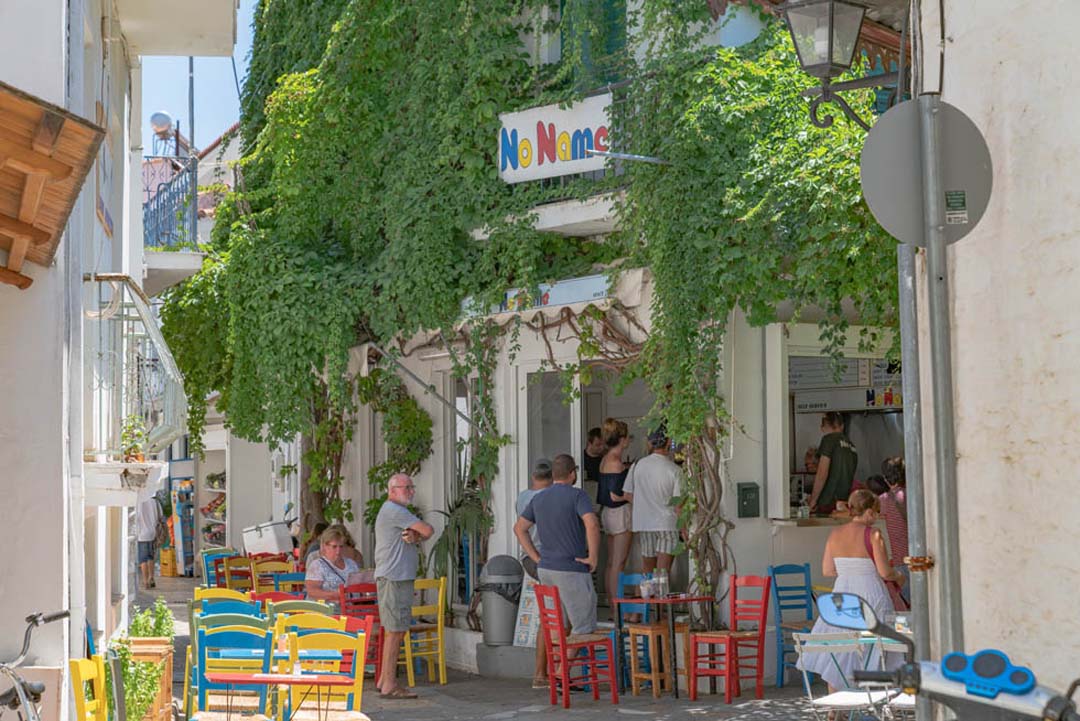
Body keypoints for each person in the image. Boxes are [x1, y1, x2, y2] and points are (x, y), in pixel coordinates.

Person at [797, 489, 906, 693]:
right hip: (870, 592)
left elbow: (828, 570)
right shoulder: (873, 534)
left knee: (841, 647)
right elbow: (884, 571)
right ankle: (877, 699)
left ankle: (834, 708)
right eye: (875, 512)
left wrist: (849, 569)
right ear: (867, 512)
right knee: (878, 647)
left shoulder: (835, 534)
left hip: (842, 591)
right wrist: (899, 577)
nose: (876, 517)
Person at [514, 454, 600, 646]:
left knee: (555, 629)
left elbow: (519, 528)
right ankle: (563, 672)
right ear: (572, 474)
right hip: (571, 568)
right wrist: (593, 557)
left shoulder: (539, 498)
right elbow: (592, 524)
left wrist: (536, 557)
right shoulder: (578, 495)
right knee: (583, 629)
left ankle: (556, 672)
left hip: (546, 569)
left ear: (553, 475)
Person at [374, 473, 434, 699]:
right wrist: (419, 534)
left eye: (412, 487)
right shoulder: (395, 510)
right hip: (394, 578)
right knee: (395, 631)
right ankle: (389, 683)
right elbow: (428, 530)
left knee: (396, 630)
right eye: (406, 487)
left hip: (396, 577)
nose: (411, 491)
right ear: (392, 489)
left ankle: (384, 680)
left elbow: (421, 534)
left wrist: (415, 537)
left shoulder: (397, 512)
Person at [622, 427, 684, 575]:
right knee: (662, 573)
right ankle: (659, 598)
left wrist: (645, 504)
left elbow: (627, 494)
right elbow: (678, 504)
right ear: (668, 442)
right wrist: (684, 528)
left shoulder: (637, 465)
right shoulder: (675, 470)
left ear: (650, 442)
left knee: (648, 571)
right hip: (667, 524)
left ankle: (648, 598)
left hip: (645, 523)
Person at [514, 458, 553, 688]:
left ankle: (545, 673)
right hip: (541, 558)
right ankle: (543, 673)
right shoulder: (545, 498)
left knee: (548, 615)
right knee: (552, 616)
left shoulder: (522, 496)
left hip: (529, 558)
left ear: (533, 477)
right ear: (550, 480)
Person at [596, 419, 632, 609]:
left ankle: (612, 604)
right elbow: (615, 495)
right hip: (619, 513)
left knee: (611, 562)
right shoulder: (616, 462)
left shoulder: (605, 459)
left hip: (607, 513)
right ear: (622, 439)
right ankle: (619, 607)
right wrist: (632, 497)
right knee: (619, 562)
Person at [808, 412, 858, 515]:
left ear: (822, 427)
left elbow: (822, 472)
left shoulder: (829, 440)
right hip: (844, 502)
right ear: (842, 426)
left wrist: (813, 501)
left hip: (828, 500)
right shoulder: (852, 446)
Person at [878, 457, 909, 606]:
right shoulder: (914, 495)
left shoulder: (885, 499)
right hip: (920, 557)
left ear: (885, 478)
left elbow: (864, 512)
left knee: (910, 604)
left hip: (900, 559)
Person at [304, 526, 361, 602]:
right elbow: (312, 591)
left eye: (341, 546)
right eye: (334, 547)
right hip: (326, 609)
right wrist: (334, 595)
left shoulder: (351, 564)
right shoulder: (317, 565)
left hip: (350, 608)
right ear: (325, 546)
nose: (338, 551)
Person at [135, 488, 162, 590]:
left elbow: (135, 518)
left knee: (143, 559)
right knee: (150, 556)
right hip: (153, 533)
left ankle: (145, 581)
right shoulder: (155, 502)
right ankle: (151, 578)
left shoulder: (139, 503)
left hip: (142, 534)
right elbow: (161, 516)